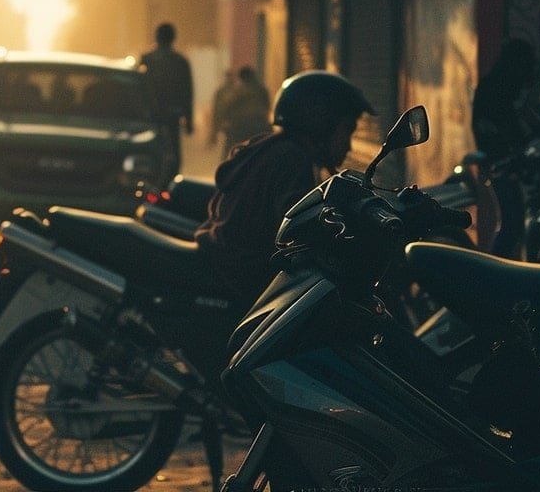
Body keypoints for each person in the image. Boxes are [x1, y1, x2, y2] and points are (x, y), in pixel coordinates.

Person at [195, 71, 374, 310]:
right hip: (243, 281)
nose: (349, 145)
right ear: (321, 123)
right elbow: (298, 228)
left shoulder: (274, 148)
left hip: (229, 266)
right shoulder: (291, 159)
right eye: (346, 131)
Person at [471, 36, 538, 257]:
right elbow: (501, 128)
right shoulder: (498, 89)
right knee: (512, 224)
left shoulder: (500, 87)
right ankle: (494, 269)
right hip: (502, 164)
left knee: (514, 223)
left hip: (507, 163)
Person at [141, 22, 194, 175]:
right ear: (173, 38)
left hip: (150, 116)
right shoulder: (180, 61)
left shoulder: (146, 60)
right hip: (172, 115)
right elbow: (188, 92)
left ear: (156, 37)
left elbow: (138, 89)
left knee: (150, 152)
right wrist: (188, 120)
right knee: (173, 155)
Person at [219, 66, 272, 159]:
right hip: (259, 125)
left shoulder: (237, 91)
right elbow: (267, 106)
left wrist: (225, 122)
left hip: (239, 125)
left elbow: (228, 107)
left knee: (230, 151)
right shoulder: (261, 90)